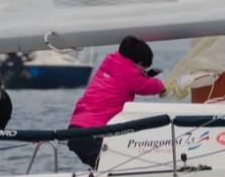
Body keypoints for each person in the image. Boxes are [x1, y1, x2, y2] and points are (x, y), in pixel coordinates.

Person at [67, 36, 166, 168]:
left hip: (76, 128)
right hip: (92, 134)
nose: (142, 71)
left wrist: (145, 75)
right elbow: (149, 86)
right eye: (142, 68)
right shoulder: (130, 75)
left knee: (109, 167)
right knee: (118, 168)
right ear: (138, 62)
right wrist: (163, 87)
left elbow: (125, 79)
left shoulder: (110, 61)